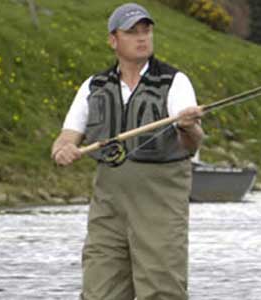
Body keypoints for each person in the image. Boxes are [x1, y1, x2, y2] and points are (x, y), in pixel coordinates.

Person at [49, 3, 204, 299]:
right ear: (113, 40)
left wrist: (188, 126)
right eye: (132, 32)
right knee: (99, 291)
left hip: (159, 205)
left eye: (146, 30)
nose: (142, 37)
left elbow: (192, 143)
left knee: (161, 290)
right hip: (108, 208)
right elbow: (65, 139)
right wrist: (64, 150)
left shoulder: (175, 82)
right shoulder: (93, 86)